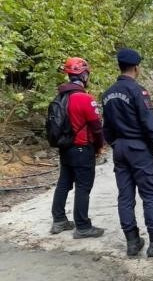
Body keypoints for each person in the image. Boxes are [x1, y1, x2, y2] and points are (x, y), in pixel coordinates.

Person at [101, 48, 153, 257]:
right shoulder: (138, 91)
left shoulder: (107, 94)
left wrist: (115, 144)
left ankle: (132, 242)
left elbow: (106, 128)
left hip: (120, 149)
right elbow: (148, 122)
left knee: (125, 196)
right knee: (150, 195)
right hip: (139, 149)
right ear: (136, 67)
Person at [50, 57, 105, 239]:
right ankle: (82, 226)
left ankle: (59, 220)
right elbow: (96, 128)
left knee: (64, 183)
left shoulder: (61, 96)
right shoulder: (85, 98)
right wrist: (99, 146)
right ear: (84, 75)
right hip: (82, 149)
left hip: (65, 148)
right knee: (83, 186)